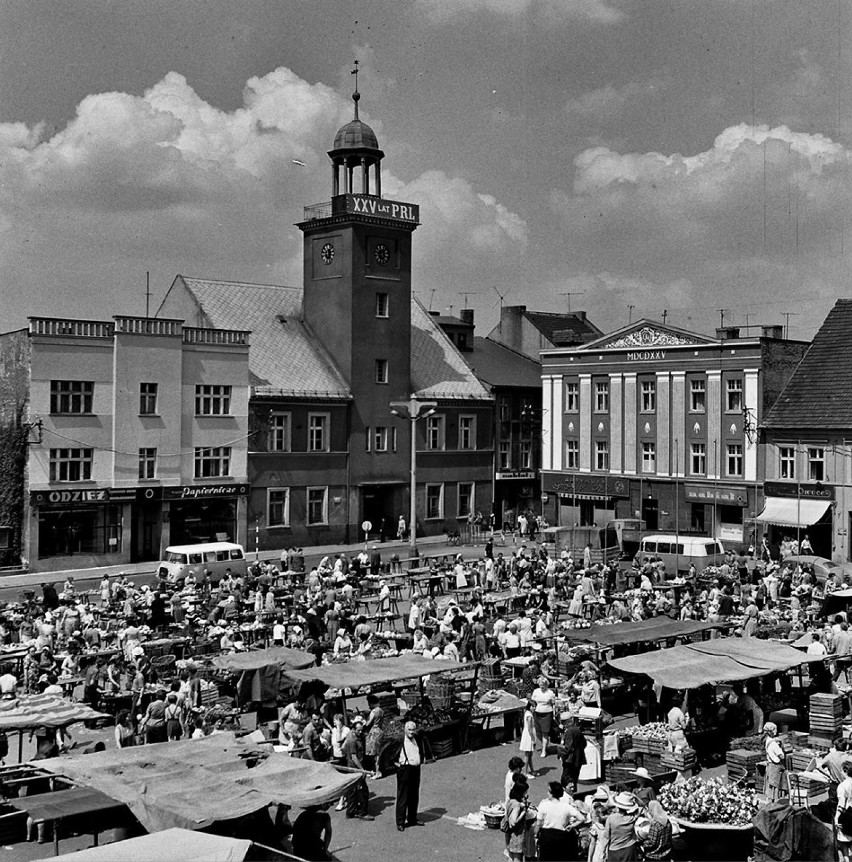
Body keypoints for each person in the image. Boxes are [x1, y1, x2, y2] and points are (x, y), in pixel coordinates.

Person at [534, 780, 584, 861]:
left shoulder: (543, 805)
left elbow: (539, 824)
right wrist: (572, 825)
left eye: (548, 791)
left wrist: (535, 834)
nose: (547, 793)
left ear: (552, 793)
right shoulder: (566, 806)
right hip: (562, 836)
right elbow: (581, 818)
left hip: (547, 837)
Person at [394, 720, 424, 832]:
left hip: (415, 769)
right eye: (409, 730)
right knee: (403, 796)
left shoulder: (417, 738)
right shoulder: (400, 740)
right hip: (405, 769)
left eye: (413, 730)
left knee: (414, 794)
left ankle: (412, 818)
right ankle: (400, 822)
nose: (411, 732)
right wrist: (397, 765)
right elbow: (390, 753)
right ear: (405, 730)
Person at [601, 791, 639, 861]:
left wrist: (603, 851)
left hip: (614, 850)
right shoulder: (631, 818)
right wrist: (635, 797)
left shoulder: (611, 818)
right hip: (629, 849)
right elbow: (641, 807)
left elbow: (606, 837)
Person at [505, 781, 535, 862]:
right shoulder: (517, 805)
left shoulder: (510, 801)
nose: (526, 793)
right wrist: (523, 812)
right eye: (525, 792)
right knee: (517, 858)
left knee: (511, 857)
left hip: (509, 834)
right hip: (517, 835)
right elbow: (514, 821)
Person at [559, 716, 586, 793]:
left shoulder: (569, 732)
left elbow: (568, 747)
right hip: (579, 758)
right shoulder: (577, 729)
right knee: (575, 777)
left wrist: (561, 752)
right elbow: (584, 743)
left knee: (566, 778)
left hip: (570, 759)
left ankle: (565, 793)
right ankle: (573, 793)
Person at [531, 676, 556, 760]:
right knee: (538, 731)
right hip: (537, 713)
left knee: (545, 732)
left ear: (546, 685)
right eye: (540, 685)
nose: (542, 686)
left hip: (547, 714)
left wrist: (554, 713)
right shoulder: (536, 691)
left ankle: (544, 750)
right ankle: (544, 744)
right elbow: (533, 701)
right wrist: (532, 709)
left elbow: (553, 703)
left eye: (543, 685)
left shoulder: (550, 693)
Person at [763, 722, 787, 801]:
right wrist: (780, 746)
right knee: (776, 785)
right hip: (776, 766)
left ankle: (770, 801)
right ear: (771, 731)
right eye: (775, 730)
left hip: (770, 765)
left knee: (771, 784)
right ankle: (776, 801)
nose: (776, 731)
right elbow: (782, 756)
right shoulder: (774, 744)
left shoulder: (768, 741)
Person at [519, 699, 538, 777]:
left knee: (530, 754)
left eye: (535, 706)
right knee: (527, 755)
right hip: (529, 736)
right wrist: (533, 739)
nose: (534, 708)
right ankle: (525, 772)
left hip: (528, 735)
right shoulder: (529, 716)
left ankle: (532, 770)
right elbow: (530, 729)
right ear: (529, 707)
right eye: (533, 706)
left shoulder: (527, 713)